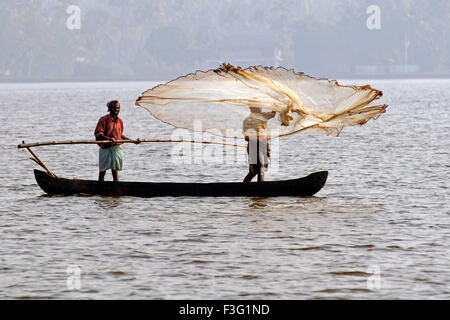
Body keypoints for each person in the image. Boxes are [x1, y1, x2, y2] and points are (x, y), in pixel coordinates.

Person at [94, 100, 141, 181]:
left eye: (118, 108)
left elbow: (120, 136)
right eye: (114, 108)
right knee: (102, 170)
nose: (116, 109)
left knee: (115, 170)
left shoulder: (120, 121)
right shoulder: (103, 119)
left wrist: (133, 141)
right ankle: (100, 187)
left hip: (116, 148)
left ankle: (116, 188)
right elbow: (99, 133)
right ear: (109, 109)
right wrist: (109, 139)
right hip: (105, 147)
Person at [243, 106, 276, 183]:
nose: (260, 107)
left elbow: (273, 114)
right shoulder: (248, 120)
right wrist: (257, 138)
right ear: (251, 108)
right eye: (257, 106)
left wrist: (275, 105)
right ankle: (257, 190)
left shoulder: (263, 116)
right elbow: (247, 137)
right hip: (254, 146)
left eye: (260, 105)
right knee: (255, 171)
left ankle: (258, 190)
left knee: (260, 170)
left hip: (263, 146)